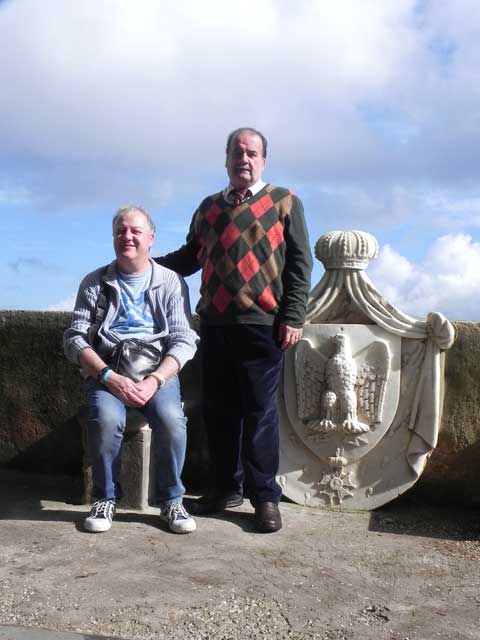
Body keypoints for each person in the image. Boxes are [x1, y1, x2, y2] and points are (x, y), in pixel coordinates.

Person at [156, 128, 313, 533]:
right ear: (226, 159)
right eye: (237, 152)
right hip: (215, 325)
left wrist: (293, 316)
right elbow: (190, 258)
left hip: (264, 326)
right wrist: (145, 263)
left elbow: (300, 265)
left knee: (260, 414)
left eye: (252, 153)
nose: (244, 158)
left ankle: (264, 499)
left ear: (263, 160)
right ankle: (226, 489)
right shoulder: (209, 208)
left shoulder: (285, 202)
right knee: (219, 413)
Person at [64, 206, 198, 534]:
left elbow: (184, 339)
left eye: (136, 231)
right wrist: (107, 375)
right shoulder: (95, 282)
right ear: (113, 238)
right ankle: (105, 497)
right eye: (121, 231)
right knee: (106, 419)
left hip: (156, 369)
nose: (128, 237)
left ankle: (171, 500)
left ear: (151, 238)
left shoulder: (170, 282)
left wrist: (155, 380)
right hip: (108, 369)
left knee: (170, 420)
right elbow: (74, 338)